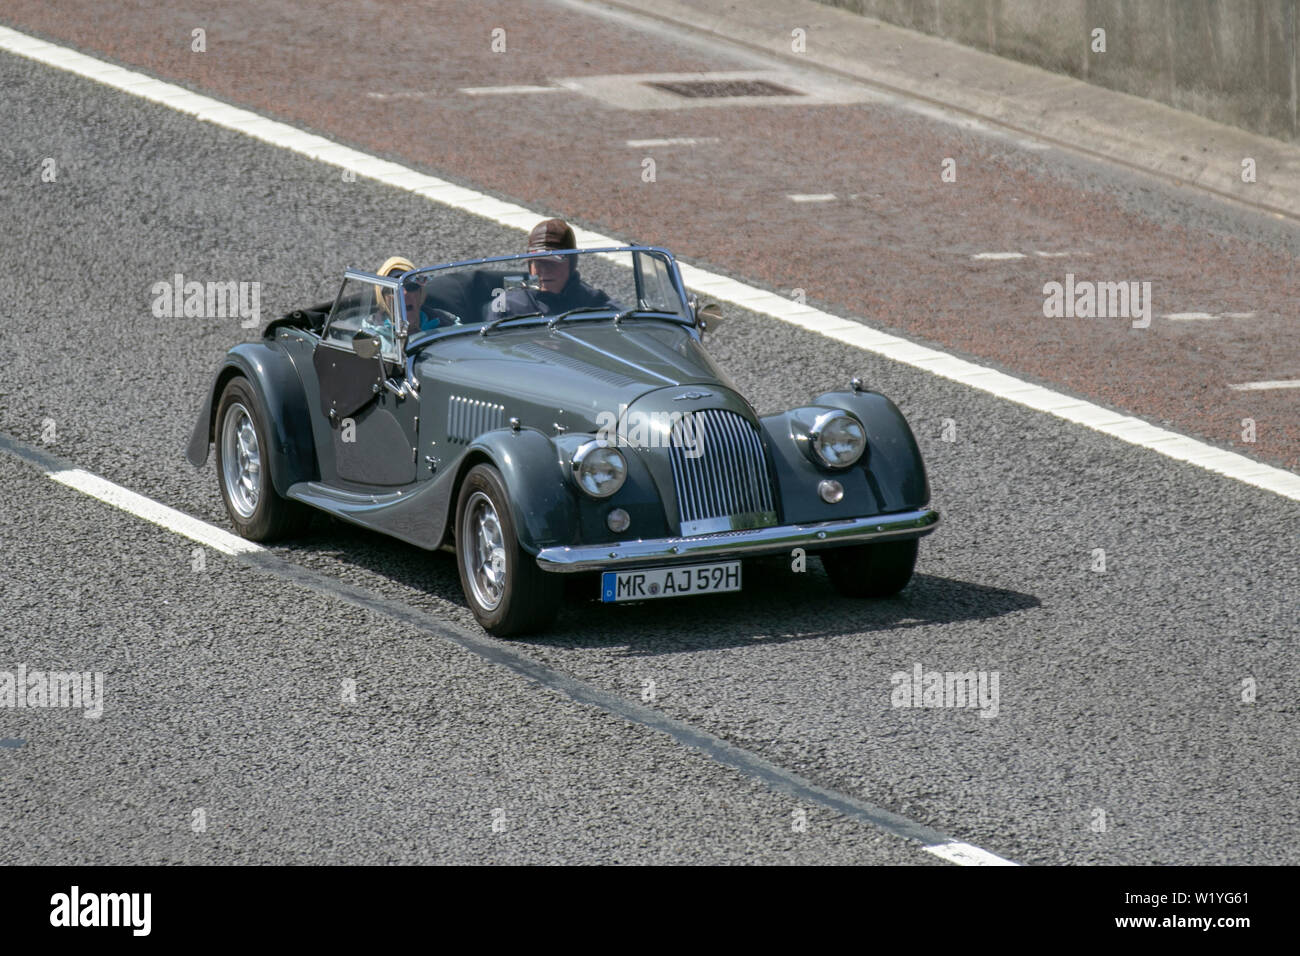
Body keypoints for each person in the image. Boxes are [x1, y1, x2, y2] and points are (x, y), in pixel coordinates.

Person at [497, 219, 621, 318]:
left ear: (571, 263)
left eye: (552, 263)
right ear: (530, 266)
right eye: (538, 263)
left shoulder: (593, 302)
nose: (544, 271)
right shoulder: (507, 306)